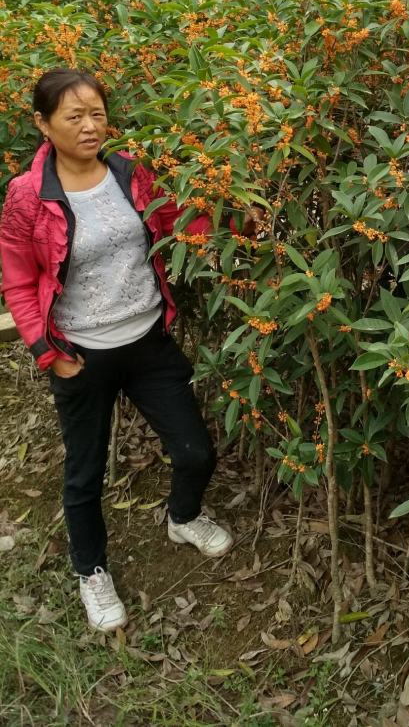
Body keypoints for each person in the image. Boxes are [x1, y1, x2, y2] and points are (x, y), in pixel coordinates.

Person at [0, 68, 235, 633]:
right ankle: (92, 571)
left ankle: (183, 516)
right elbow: (17, 278)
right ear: (43, 123)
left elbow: (180, 225)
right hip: (81, 351)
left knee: (196, 451)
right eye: (73, 116)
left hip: (148, 339)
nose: (88, 126)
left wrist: (235, 222)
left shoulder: (133, 173)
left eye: (96, 113)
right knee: (85, 473)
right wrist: (45, 352)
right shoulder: (28, 195)